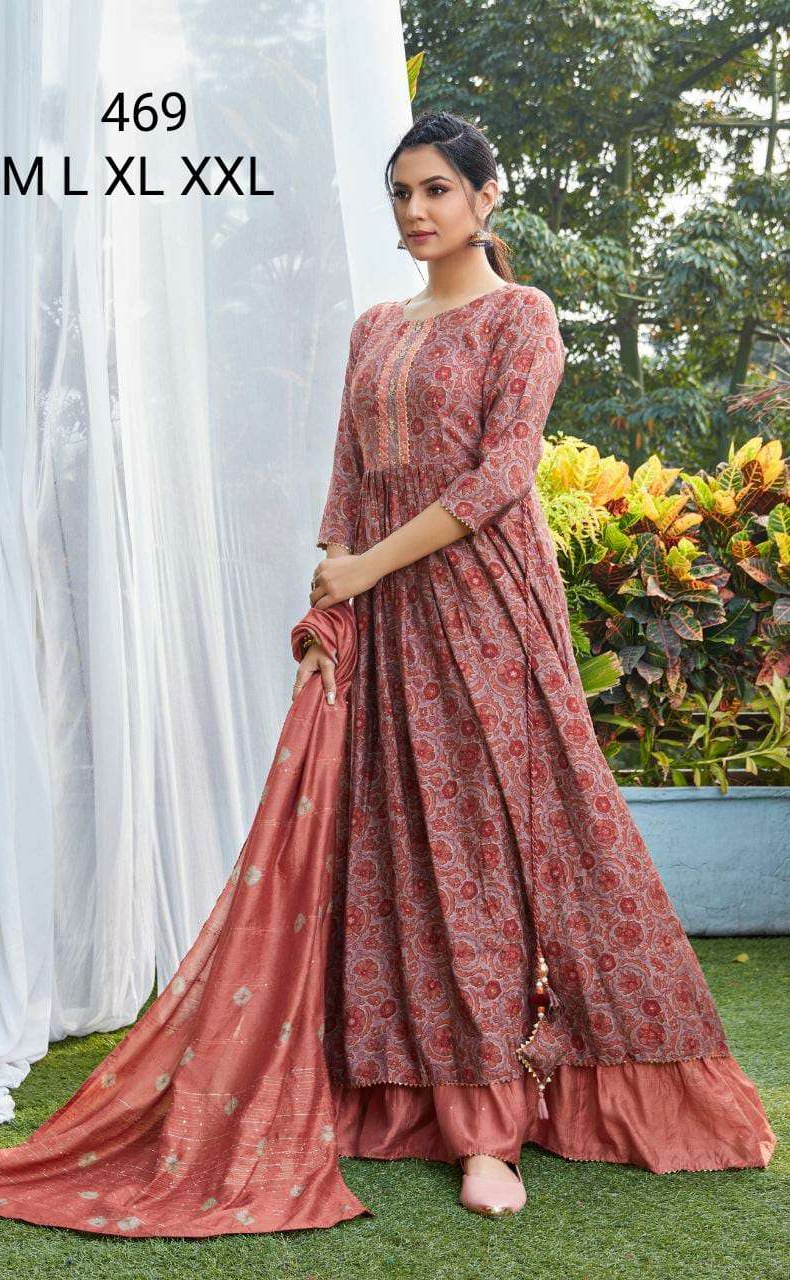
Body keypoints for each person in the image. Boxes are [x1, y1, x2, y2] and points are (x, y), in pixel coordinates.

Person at [297, 110, 776, 1217]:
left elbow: (501, 475)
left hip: (483, 614)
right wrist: (332, 607)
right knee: (395, 844)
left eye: (436, 190)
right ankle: (400, 1088)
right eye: (401, 193)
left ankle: (492, 1128)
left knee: (484, 849)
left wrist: (366, 566)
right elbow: (348, 478)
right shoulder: (374, 328)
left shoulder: (522, 315)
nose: (416, 211)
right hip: (387, 618)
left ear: (485, 196)